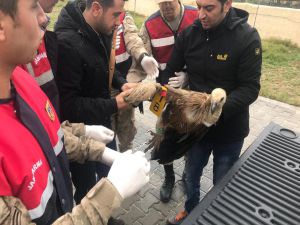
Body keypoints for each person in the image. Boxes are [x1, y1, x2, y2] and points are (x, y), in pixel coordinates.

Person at [0, 1, 150, 225]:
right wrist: (112, 191)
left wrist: (98, 149)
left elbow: (46, 133)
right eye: (33, 6)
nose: (45, 17)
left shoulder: (21, 80)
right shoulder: (69, 43)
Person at [159, 0, 262, 224]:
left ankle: (218, 218)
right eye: (198, 6)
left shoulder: (247, 37)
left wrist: (217, 112)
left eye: (209, 8)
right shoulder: (189, 35)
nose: (201, 15)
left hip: (229, 130)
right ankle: (190, 210)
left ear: (227, 5)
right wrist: (168, 86)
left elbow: (250, 88)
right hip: (196, 131)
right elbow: (169, 73)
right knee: (192, 175)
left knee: (222, 182)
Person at [54, 0, 138, 208]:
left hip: (102, 120)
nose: (119, 22)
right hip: (81, 131)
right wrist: (114, 105)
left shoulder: (102, 26)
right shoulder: (68, 44)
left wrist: (122, 82)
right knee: (86, 188)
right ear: (97, 8)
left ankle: (106, 217)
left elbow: (104, 65)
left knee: (108, 174)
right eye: (116, 14)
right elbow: (68, 105)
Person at [139, 0, 198, 203]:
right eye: (161, 2)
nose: (166, 7)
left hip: (192, 90)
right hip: (163, 90)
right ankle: (169, 177)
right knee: (161, 134)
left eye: (169, 2)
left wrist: (188, 74)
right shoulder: (149, 24)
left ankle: (187, 177)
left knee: (191, 133)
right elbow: (140, 51)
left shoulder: (196, 16)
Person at [111, 10, 159, 152]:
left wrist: (142, 56)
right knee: (107, 132)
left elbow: (133, 39)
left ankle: (127, 158)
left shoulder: (124, 16)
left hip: (126, 84)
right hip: (104, 87)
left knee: (127, 131)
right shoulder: (96, 15)